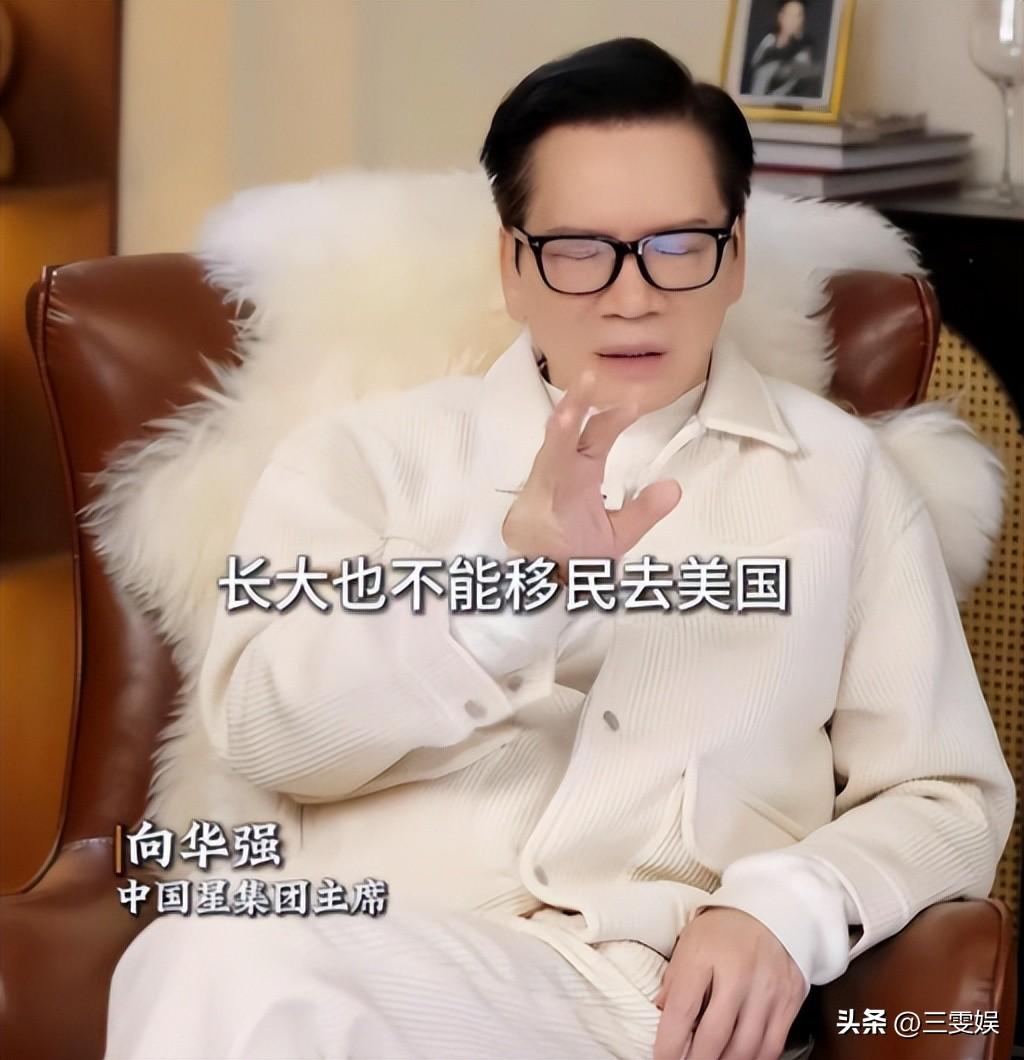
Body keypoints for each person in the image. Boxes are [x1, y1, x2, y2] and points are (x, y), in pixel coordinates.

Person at [104, 36, 1015, 1060]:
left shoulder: (842, 478)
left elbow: (948, 794)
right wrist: (506, 598)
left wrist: (790, 904)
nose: (632, 296)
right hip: (360, 970)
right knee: (208, 955)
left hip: (643, 1005)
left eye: (678, 244)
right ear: (513, 264)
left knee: (217, 966)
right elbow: (268, 734)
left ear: (735, 257)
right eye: (579, 250)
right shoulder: (360, 458)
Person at [745, 0, 824, 98]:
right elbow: (754, 65)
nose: (793, 20)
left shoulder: (804, 49)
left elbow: (793, 81)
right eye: (789, 14)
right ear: (780, 16)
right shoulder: (768, 40)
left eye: (798, 16)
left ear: (802, 20)